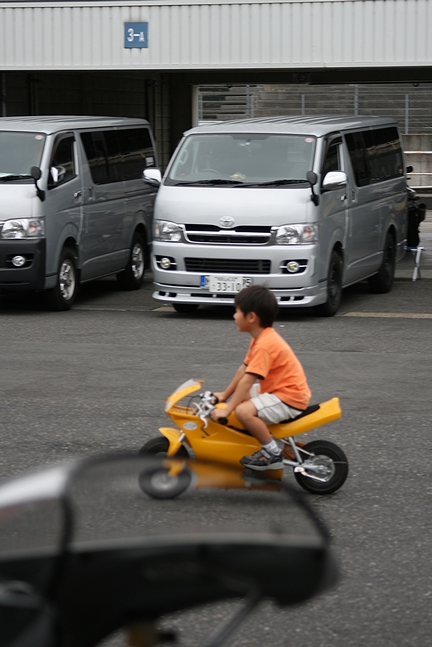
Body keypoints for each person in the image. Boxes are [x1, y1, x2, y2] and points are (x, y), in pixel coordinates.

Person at [210, 285, 311, 471]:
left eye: (237, 311)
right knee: (243, 399)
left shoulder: (265, 344)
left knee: (242, 411)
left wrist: (227, 409)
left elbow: (247, 380)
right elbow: (243, 371)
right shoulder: (259, 338)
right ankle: (258, 438)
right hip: (280, 390)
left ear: (251, 317)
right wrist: (224, 395)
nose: (234, 316)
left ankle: (272, 452)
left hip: (289, 397)